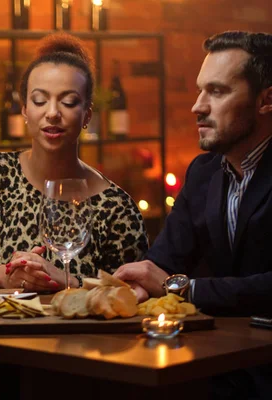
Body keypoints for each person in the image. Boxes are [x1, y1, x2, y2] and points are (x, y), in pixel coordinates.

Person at [113, 31, 272, 399]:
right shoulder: (203, 172)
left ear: (266, 100)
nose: (197, 106)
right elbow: (161, 265)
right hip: (215, 361)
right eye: (201, 90)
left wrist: (184, 288)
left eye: (217, 92)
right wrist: (75, 285)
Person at [0, 32, 148, 292]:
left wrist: (66, 281)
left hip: (82, 334)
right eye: (39, 100)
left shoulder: (117, 208)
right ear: (25, 109)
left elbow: (133, 293)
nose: (52, 113)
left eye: (69, 102)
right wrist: (0, 275)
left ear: (87, 115)